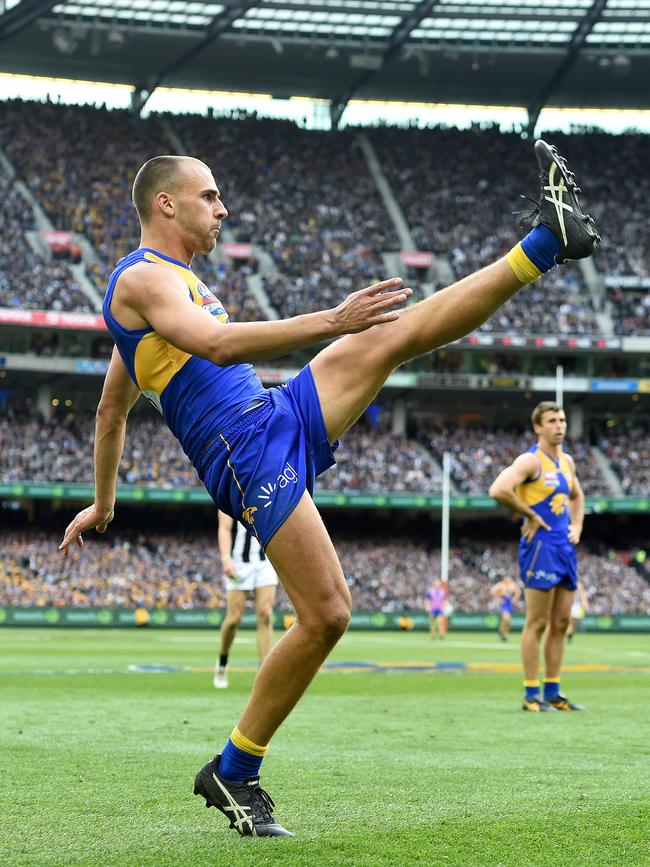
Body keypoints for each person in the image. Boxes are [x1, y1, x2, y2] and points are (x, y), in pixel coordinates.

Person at [60, 140, 599, 835]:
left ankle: (543, 243)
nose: (223, 208)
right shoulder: (140, 278)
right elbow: (217, 347)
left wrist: (104, 503)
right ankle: (233, 770)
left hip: (271, 413)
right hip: (245, 447)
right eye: (210, 196)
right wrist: (330, 320)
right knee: (329, 612)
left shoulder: (166, 288)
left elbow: (111, 407)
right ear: (166, 203)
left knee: (392, 335)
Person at [489, 401, 586, 712]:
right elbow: (499, 489)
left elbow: (577, 495)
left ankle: (554, 693)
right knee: (538, 622)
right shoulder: (531, 461)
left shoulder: (567, 462)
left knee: (560, 623)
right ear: (538, 427)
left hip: (564, 548)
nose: (560, 425)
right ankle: (531, 695)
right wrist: (529, 514)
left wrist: (578, 525)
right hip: (540, 547)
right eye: (552, 421)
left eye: (562, 419)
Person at [214, 509, 279, 689]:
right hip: (238, 562)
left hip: (265, 560)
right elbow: (224, 528)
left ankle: (264, 674)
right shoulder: (230, 485)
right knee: (234, 618)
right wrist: (226, 559)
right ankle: (222, 660)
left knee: (265, 613)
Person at [489, 574, 521, 642]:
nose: (507, 579)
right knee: (506, 618)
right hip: (504, 603)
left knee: (507, 620)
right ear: (504, 578)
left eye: (508, 578)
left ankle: (502, 632)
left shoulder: (513, 584)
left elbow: (518, 592)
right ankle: (504, 634)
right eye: (506, 578)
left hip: (510, 603)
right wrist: (498, 599)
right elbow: (492, 591)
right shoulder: (500, 584)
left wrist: (515, 599)